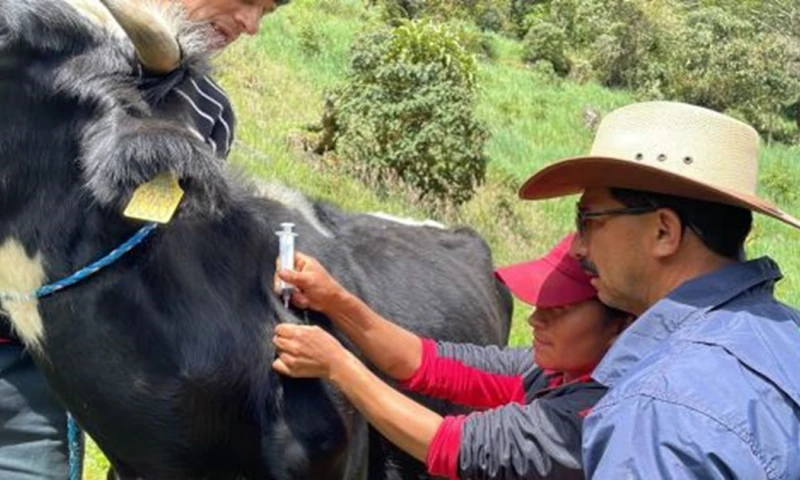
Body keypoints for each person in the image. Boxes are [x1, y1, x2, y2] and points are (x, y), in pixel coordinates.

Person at [0, 1, 287, 478]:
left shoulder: (207, 109)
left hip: (37, 368)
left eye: (266, 12)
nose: (251, 25)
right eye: (250, 0)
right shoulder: (33, 27)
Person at [515, 101, 800, 477]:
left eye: (587, 219)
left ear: (664, 232)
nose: (577, 247)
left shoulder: (657, 413)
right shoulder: (786, 332)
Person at [271, 233, 634, 479]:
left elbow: (452, 446)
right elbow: (425, 363)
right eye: (540, 303)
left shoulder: (594, 416)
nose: (535, 319)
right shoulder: (547, 373)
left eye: (559, 309)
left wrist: (339, 366)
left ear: (621, 326)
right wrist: (335, 300)